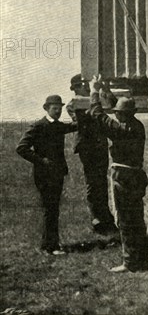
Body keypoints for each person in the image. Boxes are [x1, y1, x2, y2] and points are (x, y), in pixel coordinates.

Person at [88, 75, 148, 272]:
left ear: (120, 115)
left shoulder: (118, 128)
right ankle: (142, 259)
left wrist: (94, 92)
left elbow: (97, 115)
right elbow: (120, 109)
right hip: (137, 176)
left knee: (124, 220)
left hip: (122, 176)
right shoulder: (136, 125)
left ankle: (130, 262)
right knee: (137, 218)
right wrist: (107, 90)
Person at [16, 95, 77, 255]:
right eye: (54, 108)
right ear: (46, 108)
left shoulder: (58, 126)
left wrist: (79, 112)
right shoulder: (38, 126)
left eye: (60, 108)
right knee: (50, 209)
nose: (58, 111)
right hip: (44, 175)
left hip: (57, 174)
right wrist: (41, 160)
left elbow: (74, 126)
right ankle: (51, 246)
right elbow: (21, 148)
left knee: (53, 209)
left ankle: (50, 244)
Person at [66, 74, 117, 235]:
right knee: (93, 183)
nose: (87, 88)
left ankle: (105, 217)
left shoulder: (93, 100)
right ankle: (97, 219)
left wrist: (104, 90)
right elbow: (84, 120)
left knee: (100, 181)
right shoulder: (73, 104)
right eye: (83, 86)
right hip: (87, 146)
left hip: (99, 144)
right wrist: (95, 102)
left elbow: (112, 104)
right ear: (76, 88)